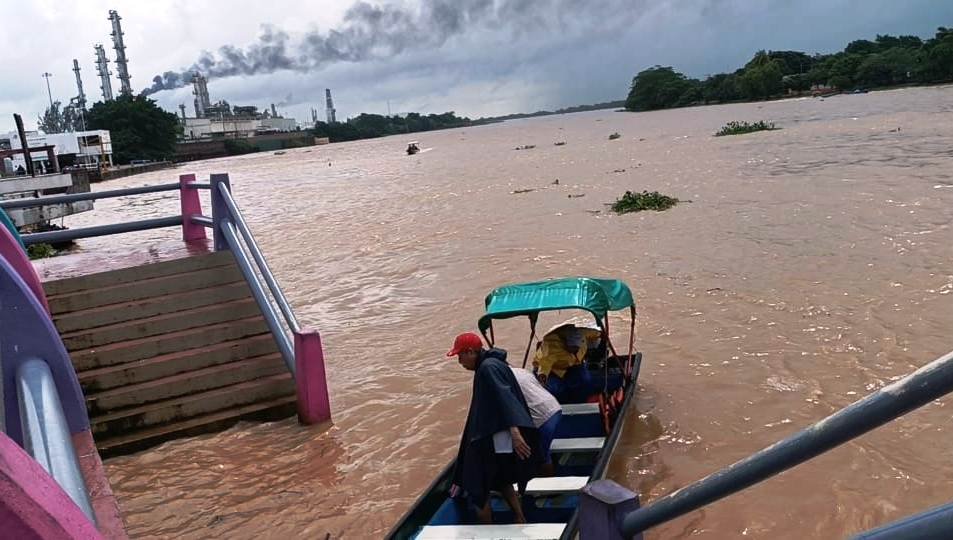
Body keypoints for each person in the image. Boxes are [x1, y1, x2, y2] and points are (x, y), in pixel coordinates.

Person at [447, 332, 541, 524]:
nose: (460, 361)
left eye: (460, 356)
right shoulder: (494, 363)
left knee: (477, 487)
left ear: (471, 352)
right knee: (501, 479)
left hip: (493, 437)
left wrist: (515, 433)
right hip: (499, 438)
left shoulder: (487, 368)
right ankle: (519, 516)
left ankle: (488, 530)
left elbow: (504, 397)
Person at [509, 366, 562, 476]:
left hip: (542, 417)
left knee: (543, 457)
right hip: (553, 407)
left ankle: (548, 487)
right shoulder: (521, 371)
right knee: (545, 453)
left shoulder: (501, 377)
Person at [534, 324, 601, 403]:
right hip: (553, 370)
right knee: (557, 390)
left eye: (577, 347)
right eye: (572, 348)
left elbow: (597, 334)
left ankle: (581, 402)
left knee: (586, 381)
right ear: (565, 342)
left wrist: (602, 335)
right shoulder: (551, 345)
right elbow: (544, 364)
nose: (575, 350)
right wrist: (542, 377)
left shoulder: (583, 333)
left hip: (573, 364)